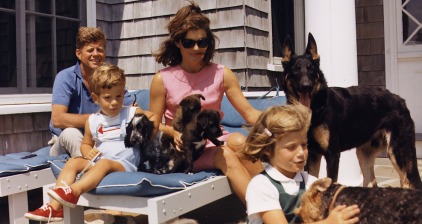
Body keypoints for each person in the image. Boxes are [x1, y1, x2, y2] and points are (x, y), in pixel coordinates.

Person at [149, 0, 264, 204]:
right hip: (185, 150)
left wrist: (283, 124)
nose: (196, 48)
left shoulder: (222, 74)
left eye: (202, 42)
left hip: (215, 141)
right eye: (189, 42)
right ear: (178, 42)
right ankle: (265, 212)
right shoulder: (162, 79)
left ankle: (276, 202)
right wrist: (174, 133)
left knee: (238, 141)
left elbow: (250, 113)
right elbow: (154, 124)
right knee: (226, 154)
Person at [25, 65, 159, 222]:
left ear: (123, 94)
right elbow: (86, 143)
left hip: (124, 164)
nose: (114, 102)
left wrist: (150, 134)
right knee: (72, 162)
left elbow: (154, 116)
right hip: (99, 161)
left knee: (104, 164)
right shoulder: (93, 120)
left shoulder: (131, 112)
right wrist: (87, 150)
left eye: (118, 96)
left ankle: (73, 192)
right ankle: (54, 208)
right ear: (96, 98)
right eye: (108, 98)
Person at [237, 104, 360, 224]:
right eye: (291, 147)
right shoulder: (261, 185)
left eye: (304, 144)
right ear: (268, 149)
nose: (301, 152)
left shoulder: (310, 182)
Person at [49, 27, 135, 158]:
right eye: (90, 50)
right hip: (65, 142)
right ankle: (90, 171)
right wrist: (99, 117)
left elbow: (130, 108)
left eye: (99, 49)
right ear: (78, 53)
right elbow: (58, 119)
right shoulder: (66, 77)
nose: (96, 54)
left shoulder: (109, 78)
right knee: (71, 133)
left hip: (99, 140)